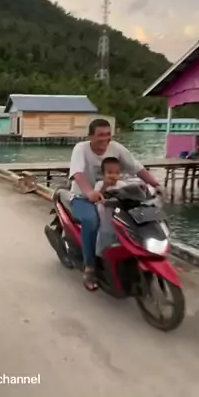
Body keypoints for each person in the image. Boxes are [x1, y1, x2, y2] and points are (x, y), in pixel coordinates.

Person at [68, 119, 161, 291]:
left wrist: (155, 184)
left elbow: (137, 168)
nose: (105, 139)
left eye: (108, 134)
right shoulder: (81, 149)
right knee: (91, 221)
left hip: (112, 197)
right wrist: (89, 192)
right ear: (90, 136)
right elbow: (78, 173)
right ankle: (90, 268)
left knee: (132, 219)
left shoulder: (117, 148)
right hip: (83, 197)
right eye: (100, 135)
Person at [94, 157, 127, 257]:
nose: (114, 175)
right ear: (103, 174)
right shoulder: (99, 184)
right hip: (105, 220)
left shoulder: (122, 185)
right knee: (104, 241)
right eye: (110, 172)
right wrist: (105, 186)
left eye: (117, 173)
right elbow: (97, 197)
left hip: (119, 219)